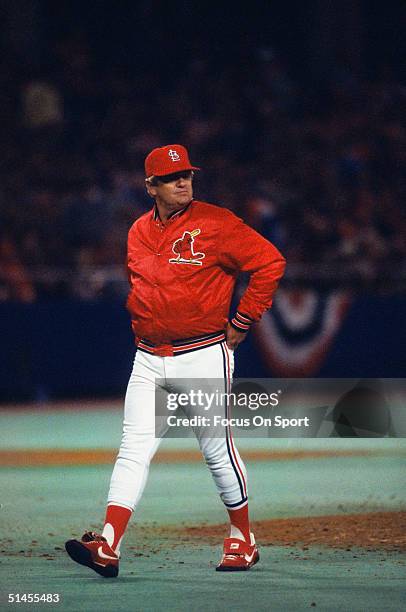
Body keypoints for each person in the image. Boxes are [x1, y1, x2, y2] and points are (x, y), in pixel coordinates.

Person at [65, 144, 286, 577]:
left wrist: (243, 319)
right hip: (148, 358)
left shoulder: (217, 223)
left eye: (186, 174)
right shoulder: (136, 232)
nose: (183, 181)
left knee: (216, 450)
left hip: (201, 354)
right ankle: (108, 545)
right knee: (133, 449)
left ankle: (242, 538)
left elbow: (270, 263)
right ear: (151, 186)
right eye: (171, 177)